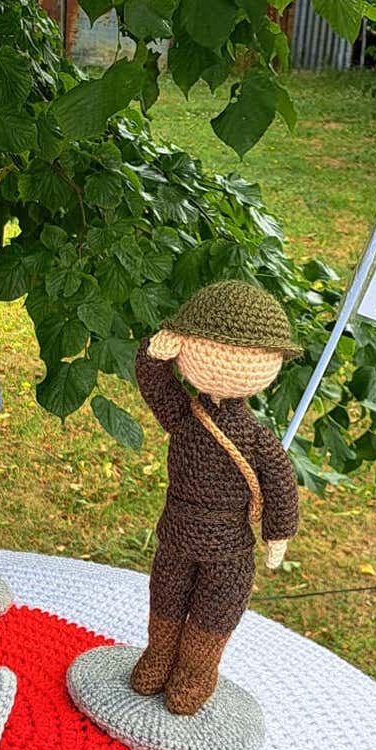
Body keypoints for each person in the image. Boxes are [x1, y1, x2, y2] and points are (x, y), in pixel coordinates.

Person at [130, 282, 301, 714]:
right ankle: (159, 656)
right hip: (177, 534)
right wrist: (154, 352)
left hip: (229, 547)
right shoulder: (186, 418)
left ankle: (196, 673)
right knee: (165, 597)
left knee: (215, 610)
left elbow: (280, 482)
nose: (226, 363)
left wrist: (277, 534)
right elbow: (154, 384)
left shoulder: (257, 440)